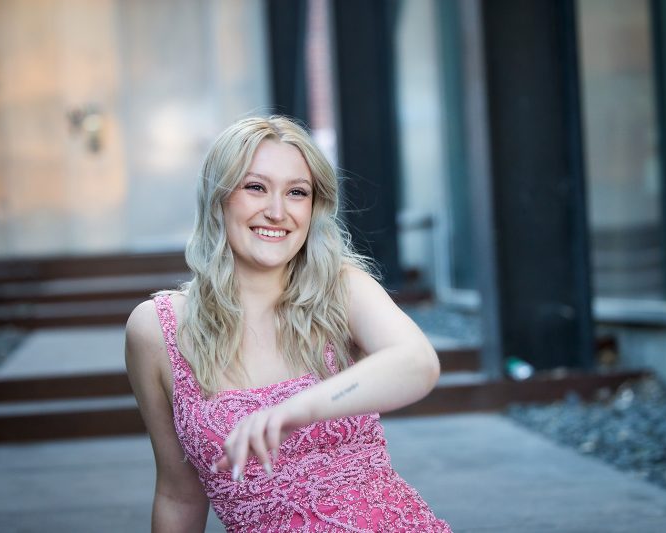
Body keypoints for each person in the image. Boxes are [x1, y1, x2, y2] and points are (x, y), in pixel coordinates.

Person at [125, 115, 451, 532]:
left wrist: (295, 411)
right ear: (219, 197)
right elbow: (178, 493)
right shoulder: (156, 329)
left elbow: (417, 363)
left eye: (297, 193)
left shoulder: (342, 288)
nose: (277, 212)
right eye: (255, 187)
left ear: (313, 208)